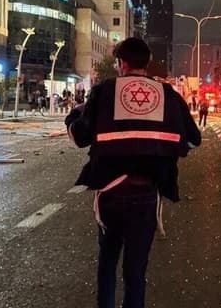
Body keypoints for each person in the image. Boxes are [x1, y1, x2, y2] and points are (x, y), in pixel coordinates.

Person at [65, 37, 201, 308]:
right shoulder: (167, 94)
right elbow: (194, 138)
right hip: (146, 194)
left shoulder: (105, 91)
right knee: (136, 272)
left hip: (111, 193)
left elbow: (80, 137)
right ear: (146, 63)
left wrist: (72, 117)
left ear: (121, 64)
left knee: (108, 263)